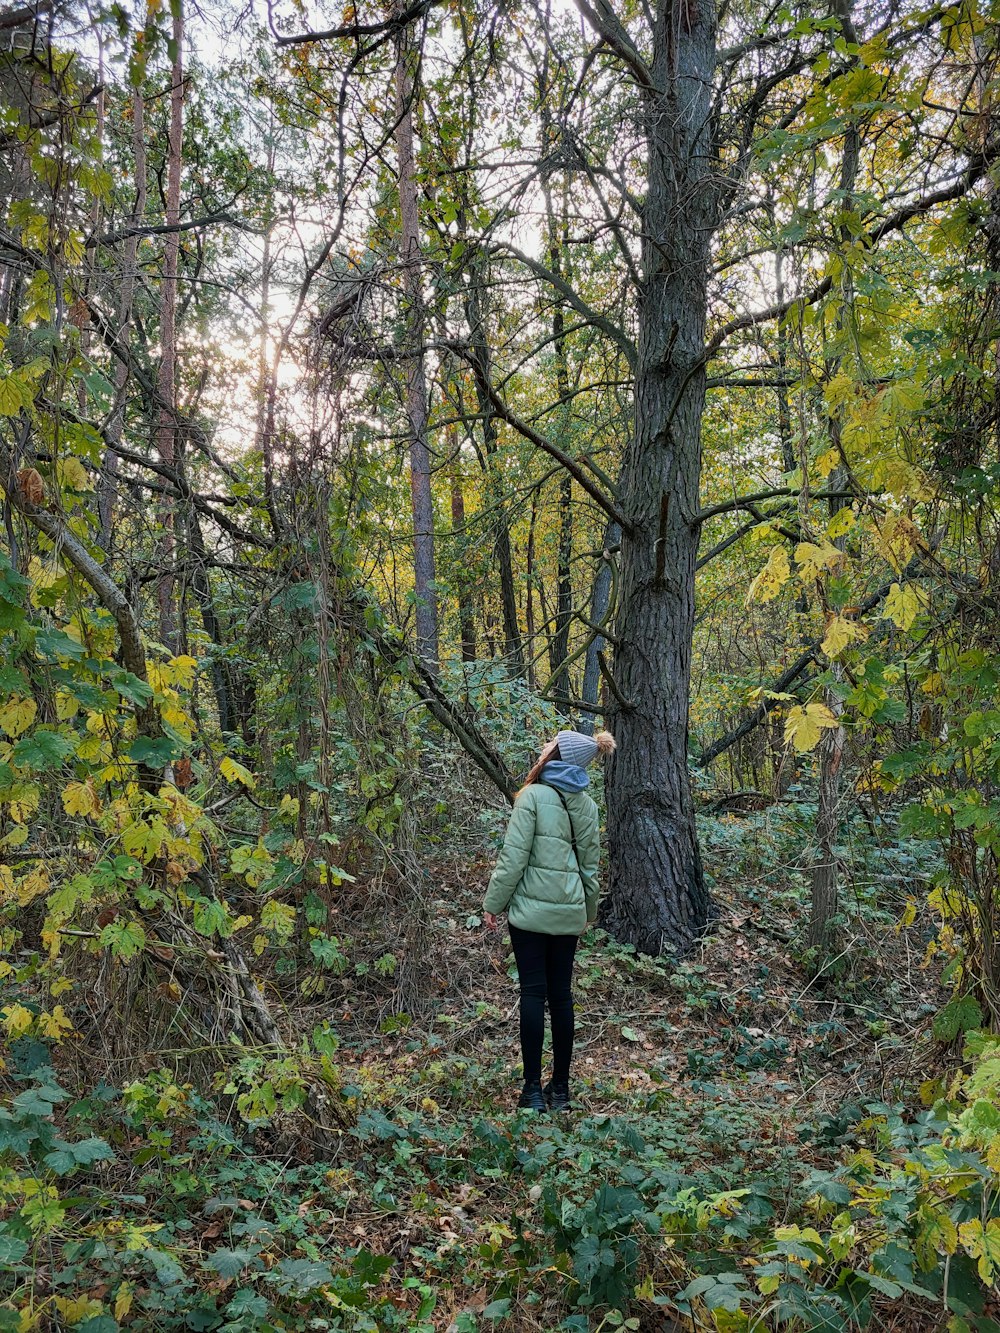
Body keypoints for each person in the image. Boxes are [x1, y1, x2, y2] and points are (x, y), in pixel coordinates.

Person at [483, 728, 616, 1111]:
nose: (544, 748)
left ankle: (531, 1092)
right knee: (561, 997)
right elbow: (590, 868)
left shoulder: (532, 797)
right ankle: (560, 1090)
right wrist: (586, 913)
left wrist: (493, 904)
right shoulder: (587, 806)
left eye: (550, 745)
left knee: (532, 993)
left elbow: (513, 859)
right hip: (568, 915)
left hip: (528, 915)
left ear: (558, 754)